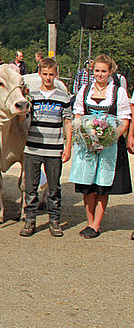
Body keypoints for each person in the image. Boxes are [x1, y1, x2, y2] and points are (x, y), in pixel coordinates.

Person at [69, 54, 131, 239]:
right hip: (87, 144)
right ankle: (89, 222)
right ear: (92, 71)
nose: (100, 74)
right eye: (97, 71)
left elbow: (125, 119)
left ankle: (96, 225)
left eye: (104, 71)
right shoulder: (84, 90)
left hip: (109, 146)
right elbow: (78, 115)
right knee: (87, 185)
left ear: (110, 72)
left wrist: (109, 138)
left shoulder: (118, 92)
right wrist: (85, 134)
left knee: (102, 185)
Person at [20, 57, 72, 237]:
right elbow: (22, 120)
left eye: (51, 74)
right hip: (33, 148)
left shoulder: (63, 97)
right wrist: (22, 105)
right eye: (44, 74)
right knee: (31, 187)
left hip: (54, 148)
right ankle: (30, 220)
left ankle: (54, 220)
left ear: (56, 75)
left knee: (54, 187)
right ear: (39, 74)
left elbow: (67, 122)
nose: (48, 78)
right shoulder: (32, 96)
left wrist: (68, 147)